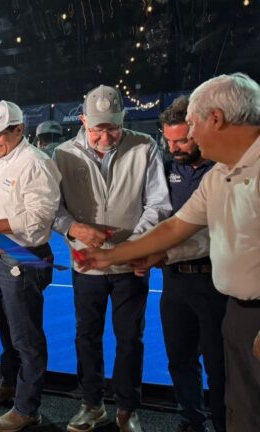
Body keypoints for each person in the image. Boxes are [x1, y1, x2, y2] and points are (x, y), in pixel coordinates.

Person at [81, 73, 260, 432]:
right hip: (235, 309)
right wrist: (112, 256)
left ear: (215, 119)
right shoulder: (220, 174)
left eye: (191, 126)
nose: (188, 137)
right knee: (243, 406)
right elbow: (175, 227)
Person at [52, 85, 171, 432]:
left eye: (113, 127)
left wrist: (130, 246)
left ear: (123, 120)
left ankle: (127, 408)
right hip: (85, 264)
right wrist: (75, 228)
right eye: (98, 128)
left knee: (130, 337)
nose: (105, 135)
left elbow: (158, 204)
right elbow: (53, 209)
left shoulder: (144, 146)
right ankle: (92, 404)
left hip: (130, 265)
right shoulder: (62, 154)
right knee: (86, 335)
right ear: (84, 120)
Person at [0, 101, 62, 432]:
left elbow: (37, 221)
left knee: (26, 337)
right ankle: (11, 385)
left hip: (23, 259)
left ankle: (27, 408)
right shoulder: (1, 158)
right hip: (2, 256)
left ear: (19, 129)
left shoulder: (37, 163)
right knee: (7, 328)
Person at [154, 96, 226, 432]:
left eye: (182, 139)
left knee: (220, 364)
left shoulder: (226, 168)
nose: (174, 147)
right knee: (180, 359)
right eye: (169, 140)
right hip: (174, 281)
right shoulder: (167, 169)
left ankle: (227, 423)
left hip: (217, 281)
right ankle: (190, 422)